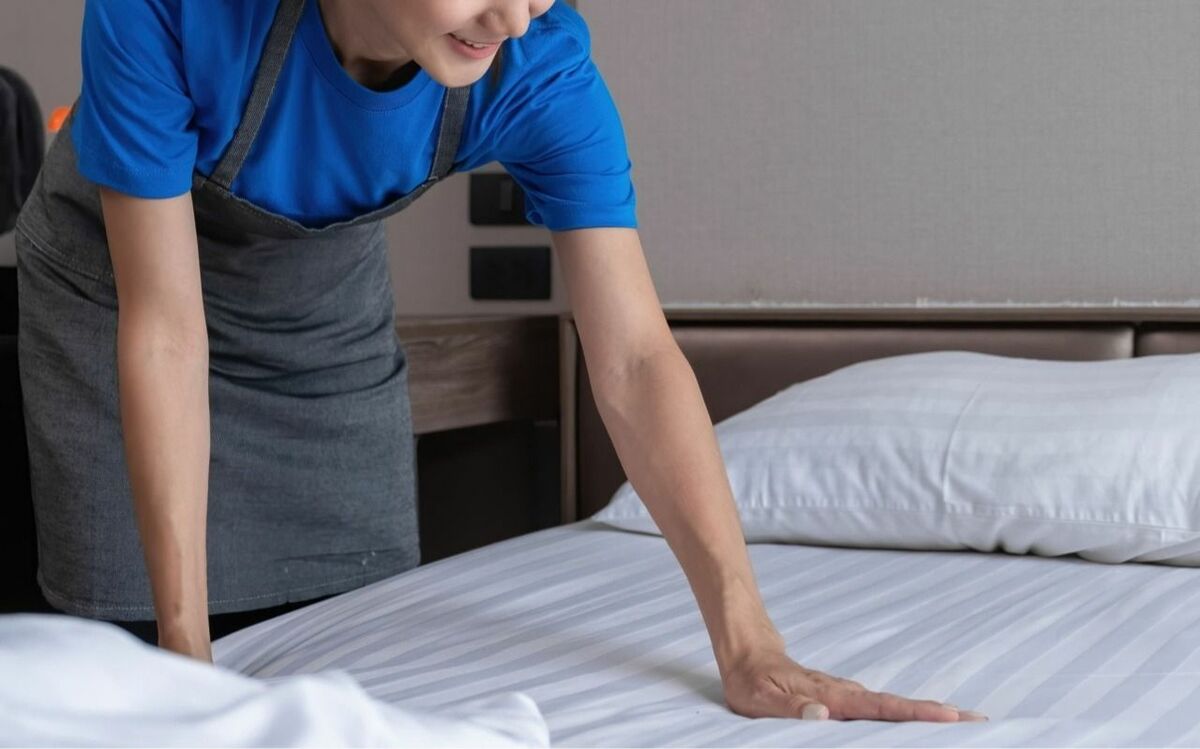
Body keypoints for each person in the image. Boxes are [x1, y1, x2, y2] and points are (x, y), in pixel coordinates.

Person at [14, 0, 986, 724]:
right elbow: (166, 331)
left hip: (320, 333)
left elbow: (636, 357)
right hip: (122, 305)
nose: (514, 16)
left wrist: (748, 643)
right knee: (141, 664)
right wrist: (187, 664)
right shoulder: (168, 9)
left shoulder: (538, 64)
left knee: (344, 656)